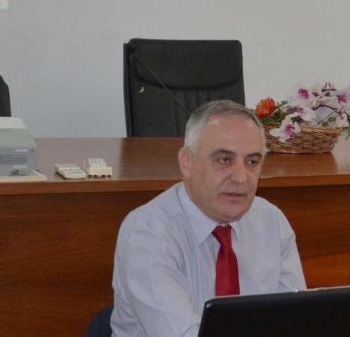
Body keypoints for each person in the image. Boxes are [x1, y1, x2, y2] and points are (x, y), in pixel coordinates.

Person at [111, 100, 306, 336]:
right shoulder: (148, 234)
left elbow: (294, 322)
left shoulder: (271, 222)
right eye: (224, 160)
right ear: (187, 162)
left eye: (252, 162)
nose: (241, 178)